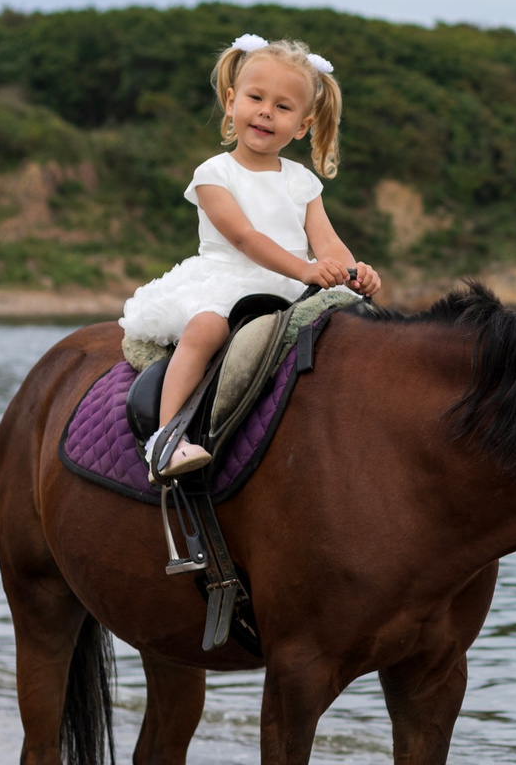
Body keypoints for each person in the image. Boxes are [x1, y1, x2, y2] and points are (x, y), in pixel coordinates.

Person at [119, 33, 383, 480]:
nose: (265, 111)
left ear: (301, 125)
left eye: (283, 107)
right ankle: (165, 439)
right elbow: (244, 237)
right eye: (255, 97)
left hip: (290, 285)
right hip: (226, 279)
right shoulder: (214, 173)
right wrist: (306, 269)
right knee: (206, 328)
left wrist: (353, 271)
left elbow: (327, 242)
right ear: (230, 101)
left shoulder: (302, 182)